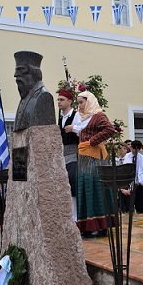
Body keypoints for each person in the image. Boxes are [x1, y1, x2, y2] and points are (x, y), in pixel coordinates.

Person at [68, 91, 115, 237]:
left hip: (95, 158)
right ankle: (88, 226)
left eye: (81, 102)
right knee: (85, 190)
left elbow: (109, 129)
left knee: (96, 189)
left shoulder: (98, 115)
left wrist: (92, 142)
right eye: (78, 102)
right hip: (84, 157)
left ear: (89, 101)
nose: (79, 106)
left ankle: (101, 226)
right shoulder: (83, 118)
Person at [13, 51, 56, 132]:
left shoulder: (44, 96)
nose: (15, 74)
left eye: (21, 69)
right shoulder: (25, 97)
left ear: (34, 72)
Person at [57, 88, 80, 220]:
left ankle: (76, 219)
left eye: (62, 100)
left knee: (73, 189)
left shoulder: (76, 115)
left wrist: (74, 128)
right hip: (63, 157)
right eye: (58, 100)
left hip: (74, 156)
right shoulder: (60, 118)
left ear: (70, 101)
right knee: (66, 189)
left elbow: (83, 130)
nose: (59, 102)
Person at [119, 140, 143, 213]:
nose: (135, 151)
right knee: (127, 206)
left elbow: (141, 171)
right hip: (126, 183)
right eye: (133, 149)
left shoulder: (142, 158)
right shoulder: (126, 157)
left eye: (137, 149)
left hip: (137, 183)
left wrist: (137, 183)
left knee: (138, 204)